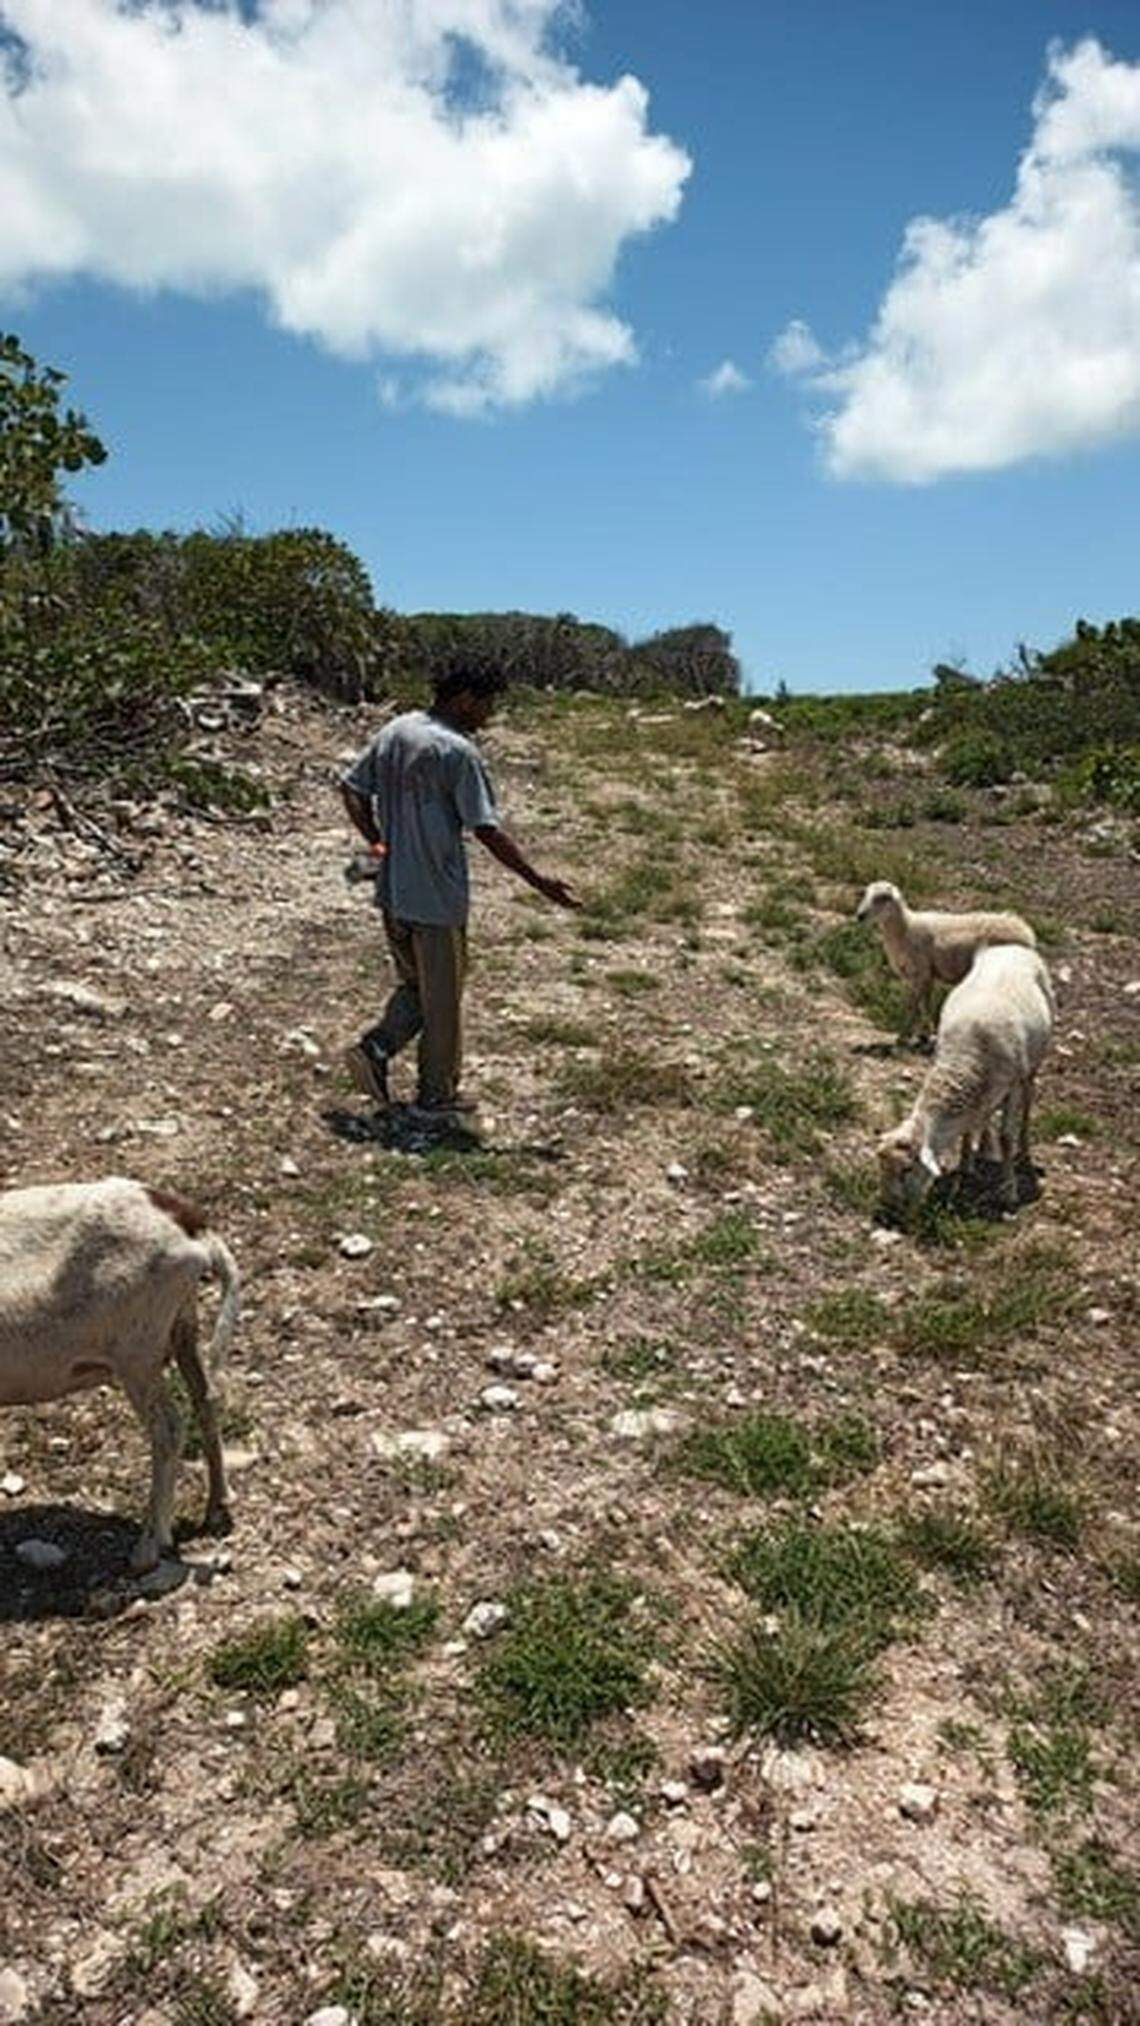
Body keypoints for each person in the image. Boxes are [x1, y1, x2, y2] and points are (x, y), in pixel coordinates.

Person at [339, 666, 579, 1121]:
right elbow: (486, 829)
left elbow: (351, 789)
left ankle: (374, 1049)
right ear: (466, 698)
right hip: (436, 898)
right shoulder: (458, 752)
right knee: (443, 1000)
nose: (489, 716)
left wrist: (378, 844)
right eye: (487, 704)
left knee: (416, 986)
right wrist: (539, 881)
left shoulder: (396, 730)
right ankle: (436, 1095)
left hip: (392, 891)